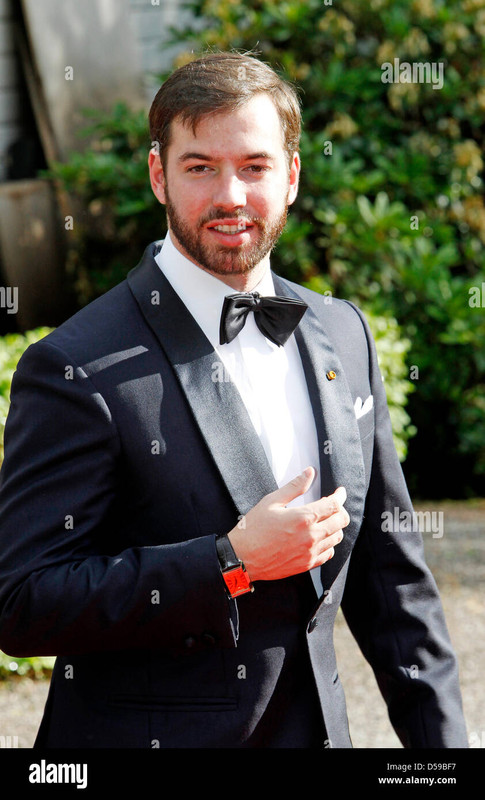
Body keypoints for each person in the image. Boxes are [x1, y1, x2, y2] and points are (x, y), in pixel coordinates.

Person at [0, 52, 467, 749]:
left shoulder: (344, 331)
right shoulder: (73, 366)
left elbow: (393, 585)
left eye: (253, 166)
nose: (230, 195)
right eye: (200, 167)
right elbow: (22, 603)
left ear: (292, 176)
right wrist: (228, 561)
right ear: (158, 175)